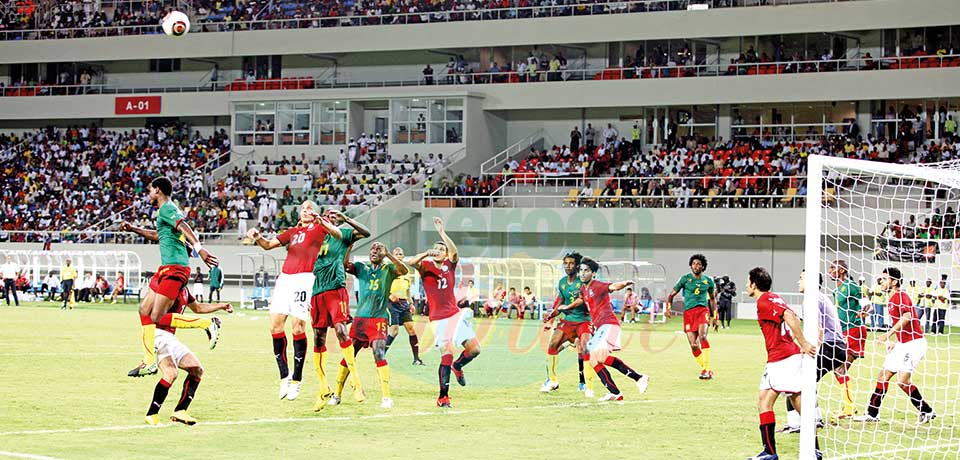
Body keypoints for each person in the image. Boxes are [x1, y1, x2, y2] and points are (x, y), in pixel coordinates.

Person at [120, 176, 222, 378]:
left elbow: (184, 226)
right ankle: (149, 362)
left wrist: (199, 249)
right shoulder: (164, 213)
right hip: (166, 268)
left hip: (176, 268)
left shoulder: (167, 208)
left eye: (150, 190)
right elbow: (158, 235)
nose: (149, 194)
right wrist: (133, 229)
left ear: (157, 190)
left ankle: (207, 323)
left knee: (157, 317)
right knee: (144, 311)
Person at [247, 200, 342, 401]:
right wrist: (257, 237)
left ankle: (297, 380)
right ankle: (285, 376)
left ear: (315, 213)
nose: (306, 211)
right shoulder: (291, 232)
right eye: (303, 209)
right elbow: (267, 245)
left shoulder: (320, 226)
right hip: (285, 279)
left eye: (310, 208)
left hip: (304, 278)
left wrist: (322, 222)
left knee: (298, 327)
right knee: (275, 326)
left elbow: (338, 234)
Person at [547, 257, 648, 401]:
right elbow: (580, 300)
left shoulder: (597, 285)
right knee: (594, 360)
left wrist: (624, 283)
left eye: (586, 271)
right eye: (581, 270)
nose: (582, 273)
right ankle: (615, 392)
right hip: (601, 327)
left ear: (593, 273)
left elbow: (612, 286)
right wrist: (566, 308)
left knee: (598, 357)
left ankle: (639, 378)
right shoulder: (584, 288)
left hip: (609, 325)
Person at [745, 267, 819, 460]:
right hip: (781, 357)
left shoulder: (763, 301)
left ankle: (809, 450)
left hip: (782, 359)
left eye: (748, 281)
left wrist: (802, 343)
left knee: (795, 400)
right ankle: (770, 451)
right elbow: (789, 317)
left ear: (754, 284)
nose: (746, 285)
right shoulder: (774, 297)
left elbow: (789, 316)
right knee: (765, 400)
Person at [408, 217, 480, 408]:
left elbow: (455, 252)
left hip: (455, 315)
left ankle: (458, 366)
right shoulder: (427, 266)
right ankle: (443, 397)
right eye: (436, 249)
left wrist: (442, 233)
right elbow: (411, 262)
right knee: (446, 354)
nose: (439, 251)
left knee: (475, 350)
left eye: (442, 249)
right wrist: (426, 253)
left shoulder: (450, 265)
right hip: (439, 319)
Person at [854, 267, 936, 424]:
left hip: (914, 344)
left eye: (885, 279)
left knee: (902, 381)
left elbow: (907, 317)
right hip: (903, 343)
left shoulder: (900, 296)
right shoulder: (891, 299)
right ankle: (872, 414)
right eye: (882, 278)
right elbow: (904, 324)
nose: (881, 281)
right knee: (883, 375)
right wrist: (896, 341)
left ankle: (926, 410)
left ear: (894, 281)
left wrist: (887, 335)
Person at [334, 242, 409, 409]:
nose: (374, 252)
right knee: (348, 357)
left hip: (378, 320)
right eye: (372, 250)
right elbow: (345, 265)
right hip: (360, 320)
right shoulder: (361, 267)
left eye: (378, 250)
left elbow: (404, 271)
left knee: (379, 353)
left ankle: (387, 397)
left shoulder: (388, 270)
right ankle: (337, 394)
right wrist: (350, 246)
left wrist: (388, 254)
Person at [144, 287, 233, 426]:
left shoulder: (184, 290)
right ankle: (152, 414)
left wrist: (220, 306)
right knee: (171, 373)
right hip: (158, 334)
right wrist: (201, 323)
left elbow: (197, 307)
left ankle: (180, 411)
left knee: (197, 369)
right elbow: (157, 317)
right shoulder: (168, 289)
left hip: (170, 337)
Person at [310, 208, 370, 410]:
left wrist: (345, 219)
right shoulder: (314, 238)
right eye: (324, 216)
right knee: (318, 338)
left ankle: (356, 381)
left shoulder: (341, 234)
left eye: (330, 216)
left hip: (336, 288)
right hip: (317, 291)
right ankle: (322, 388)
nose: (327, 218)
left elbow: (366, 233)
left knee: (341, 330)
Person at [781, 270, 846, 434]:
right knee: (806, 381)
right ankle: (814, 419)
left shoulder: (811, 299)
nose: (798, 281)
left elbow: (818, 328)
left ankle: (797, 424)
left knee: (797, 381)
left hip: (829, 346)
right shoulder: (821, 297)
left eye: (801, 278)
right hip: (837, 347)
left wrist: (808, 349)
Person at [540, 251, 595, 396]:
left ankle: (587, 386)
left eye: (571, 263)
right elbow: (560, 303)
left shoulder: (582, 282)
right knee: (553, 344)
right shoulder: (562, 283)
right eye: (565, 263)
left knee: (584, 348)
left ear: (577, 266)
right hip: (568, 321)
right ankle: (552, 381)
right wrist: (551, 316)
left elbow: (583, 300)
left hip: (584, 320)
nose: (568, 266)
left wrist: (566, 308)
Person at [666, 254, 717, 380]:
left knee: (703, 337)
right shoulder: (685, 279)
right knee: (694, 345)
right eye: (694, 264)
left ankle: (705, 369)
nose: (696, 266)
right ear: (690, 265)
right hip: (689, 314)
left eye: (699, 264)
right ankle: (707, 370)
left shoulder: (708, 281)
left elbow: (712, 299)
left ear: (703, 266)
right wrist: (668, 308)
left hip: (702, 311)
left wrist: (715, 316)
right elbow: (671, 295)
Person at [828, 259, 864, 419]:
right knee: (838, 370)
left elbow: (866, 302)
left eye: (832, 268)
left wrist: (865, 311)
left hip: (854, 329)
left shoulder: (851, 286)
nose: (830, 271)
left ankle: (849, 408)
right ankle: (849, 407)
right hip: (844, 331)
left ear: (842, 270)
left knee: (840, 369)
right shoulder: (837, 289)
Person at [385, 247, 423, 365]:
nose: (398, 255)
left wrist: (411, 303)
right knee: (394, 331)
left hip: (404, 304)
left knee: (411, 330)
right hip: (391, 303)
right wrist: (390, 295)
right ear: (392, 256)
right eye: (396, 254)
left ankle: (416, 359)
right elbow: (382, 286)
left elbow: (407, 291)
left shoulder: (406, 273)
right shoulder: (389, 270)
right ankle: (380, 355)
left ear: (403, 256)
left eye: (400, 254)